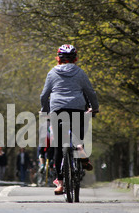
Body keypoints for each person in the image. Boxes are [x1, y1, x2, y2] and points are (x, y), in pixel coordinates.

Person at [40, 44, 99, 195]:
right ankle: (79, 148)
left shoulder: (52, 73)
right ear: (76, 59)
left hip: (57, 109)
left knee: (59, 146)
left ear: (58, 59)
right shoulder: (80, 73)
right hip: (77, 107)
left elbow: (44, 95)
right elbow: (90, 92)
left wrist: (44, 110)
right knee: (78, 135)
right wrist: (94, 107)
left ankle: (60, 184)